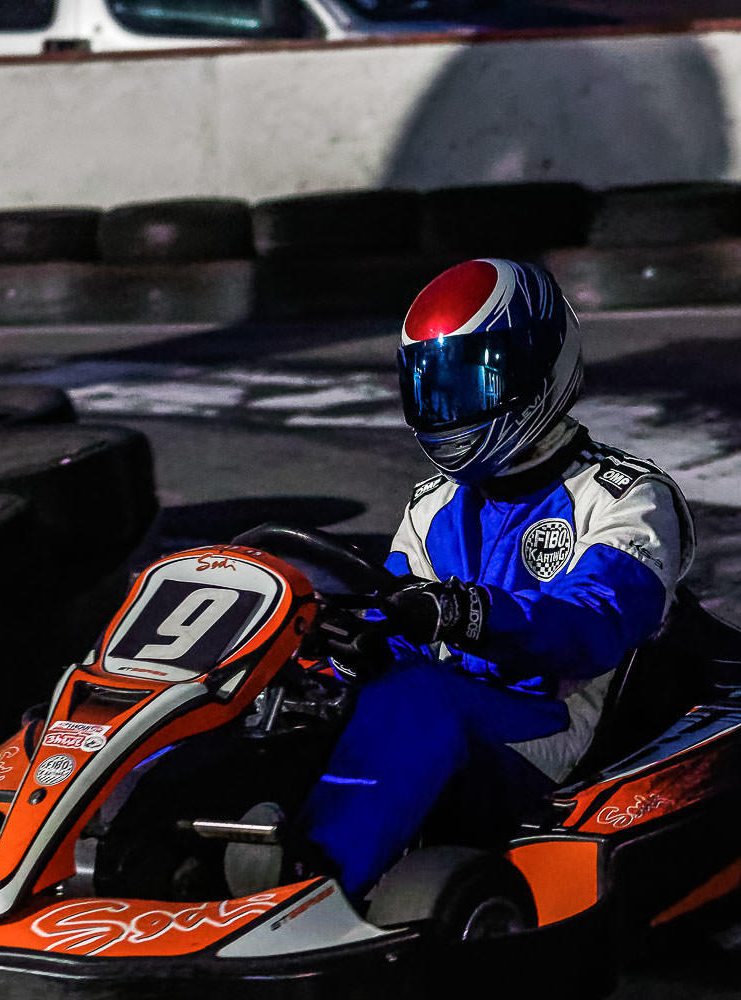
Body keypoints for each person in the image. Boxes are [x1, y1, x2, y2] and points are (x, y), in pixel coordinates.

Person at [297, 258, 696, 898]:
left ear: (536, 370)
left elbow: (595, 626)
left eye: (471, 383)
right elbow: (395, 615)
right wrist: (353, 640)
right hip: (459, 707)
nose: (450, 407)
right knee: (291, 688)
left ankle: (315, 886)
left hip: (556, 727)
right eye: (434, 387)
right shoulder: (434, 506)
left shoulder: (622, 496)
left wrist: (466, 612)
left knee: (420, 699)